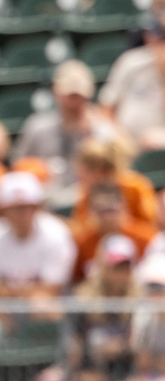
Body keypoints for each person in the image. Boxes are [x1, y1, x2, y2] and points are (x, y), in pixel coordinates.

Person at [12, 61, 118, 210]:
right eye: (69, 95)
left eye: (77, 95)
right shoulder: (37, 127)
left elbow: (113, 177)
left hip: (89, 205)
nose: (73, 102)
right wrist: (38, 171)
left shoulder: (102, 132)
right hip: (45, 205)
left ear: (88, 93)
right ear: (57, 92)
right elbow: (19, 168)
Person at [0, 171, 77, 296]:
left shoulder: (56, 234)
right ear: (2, 211)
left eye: (28, 207)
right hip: (4, 309)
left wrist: (5, 291)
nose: (23, 214)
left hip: (40, 308)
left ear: (37, 208)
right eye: (15, 208)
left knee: (43, 306)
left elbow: (51, 289)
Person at [66, 235, 138, 380]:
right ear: (103, 267)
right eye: (115, 267)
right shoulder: (83, 299)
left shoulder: (141, 300)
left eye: (125, 268)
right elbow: (74, 344)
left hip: (126, 375)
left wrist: (121, 347)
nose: (121, 274)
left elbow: (140, 348)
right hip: (88, 370)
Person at [98, 7, 165, 150]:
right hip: (124, 147)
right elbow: (105, 110)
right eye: (162, 38)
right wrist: (119, 138)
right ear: (150, 38)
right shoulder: (131, 62)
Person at [71, 182, 157, 282]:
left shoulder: (146, 239)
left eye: (111, 210)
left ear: (123, 207)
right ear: (91, 211)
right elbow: (77, 282)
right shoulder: (82, 244)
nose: (107, 217)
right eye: (101, 211)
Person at [71, 137, 157, 231]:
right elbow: (79, 230)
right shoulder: (88, 195)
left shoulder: (134, 187)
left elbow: (150, 226)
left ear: (99, 171)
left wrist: (120, 223)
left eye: (83, 176)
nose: (81, 180)